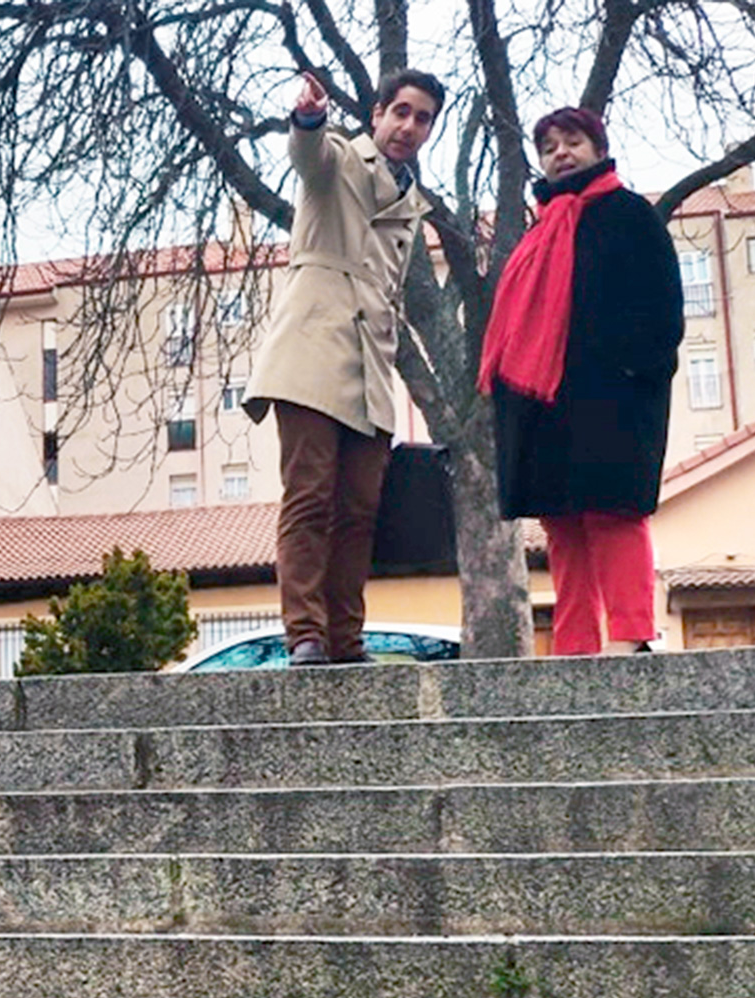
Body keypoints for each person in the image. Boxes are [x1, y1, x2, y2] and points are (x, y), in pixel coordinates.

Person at [243, 68, 442, 665]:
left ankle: (346, 640)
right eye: (400, 112)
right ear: (377, 114)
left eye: (423, 117)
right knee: (310, 496)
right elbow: (308, 154)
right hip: (312, 348)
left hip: (372, 366)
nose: (408, 126)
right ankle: (305, 633)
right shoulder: (339, 160)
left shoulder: (412, 204)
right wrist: (307, 117)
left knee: (360, 509)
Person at [480, 107, 683, 655]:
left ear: (598, 148)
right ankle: (574, 645)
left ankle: (632, 634)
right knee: (563, 524)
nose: (561, 153)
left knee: (613, 513)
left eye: (573, 142)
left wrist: (634, 373)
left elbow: (663, 307)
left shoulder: (630, 214)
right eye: (549, 147)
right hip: (548, 404)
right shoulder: (538, 232)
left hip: (614, 399)